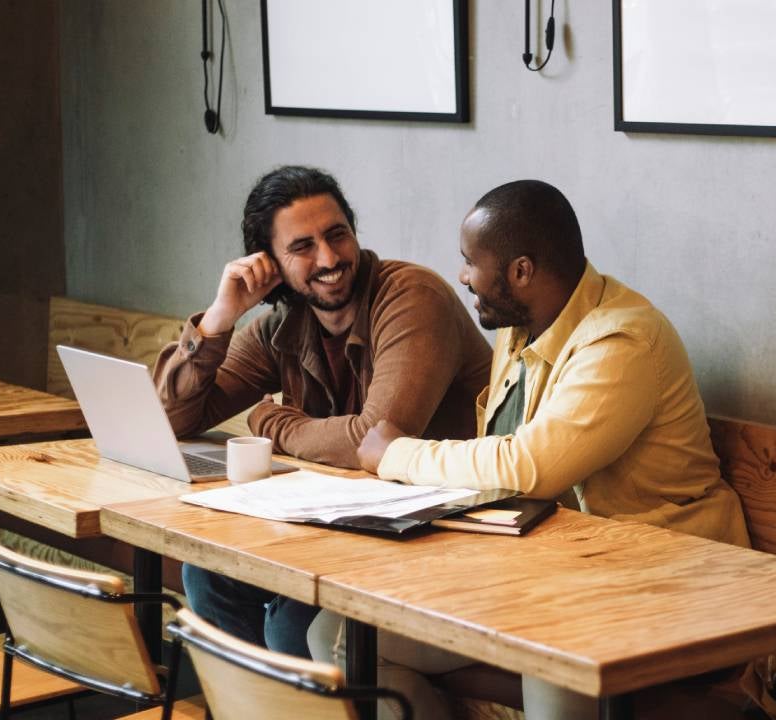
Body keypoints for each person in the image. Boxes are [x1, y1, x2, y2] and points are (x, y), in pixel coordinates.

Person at [310, 179, 750, 719]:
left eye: (471, 261)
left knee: (552, 654)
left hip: (666, 580)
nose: (463, 275)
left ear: (521, 271)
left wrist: (396, 453)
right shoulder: (521, 329)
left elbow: (527, 465)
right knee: (337, 633)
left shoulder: (623, 342)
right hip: (555, 576)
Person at [153, 165, 491, 659]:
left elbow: (375, 441)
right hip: (345, 527)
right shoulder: (282, 325)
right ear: (268, 264)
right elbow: (169, 420)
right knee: (209, 574)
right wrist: (220, 317)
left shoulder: (412, 297)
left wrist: (276, 423)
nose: (329, 258)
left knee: (294, 621)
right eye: (302, 247)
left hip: (442, 532)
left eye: (337, 235)